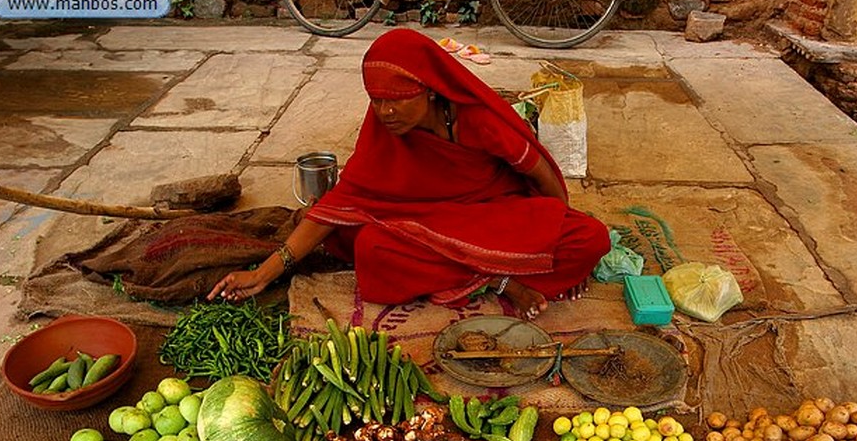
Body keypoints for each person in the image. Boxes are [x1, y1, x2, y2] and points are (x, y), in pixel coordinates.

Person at [209, 28, 610, 320]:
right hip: (420, 223)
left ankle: (495, 272)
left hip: (488, 215)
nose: (385, 113)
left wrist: (551, 237)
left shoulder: (479, 120)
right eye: (377, 101)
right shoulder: (382, 127)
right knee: (370, 249)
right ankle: (497, 280)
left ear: (430, 88)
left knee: (591, 238)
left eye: (398, 101)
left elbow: (544, 178)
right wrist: (266, 272)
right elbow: (342, 201)